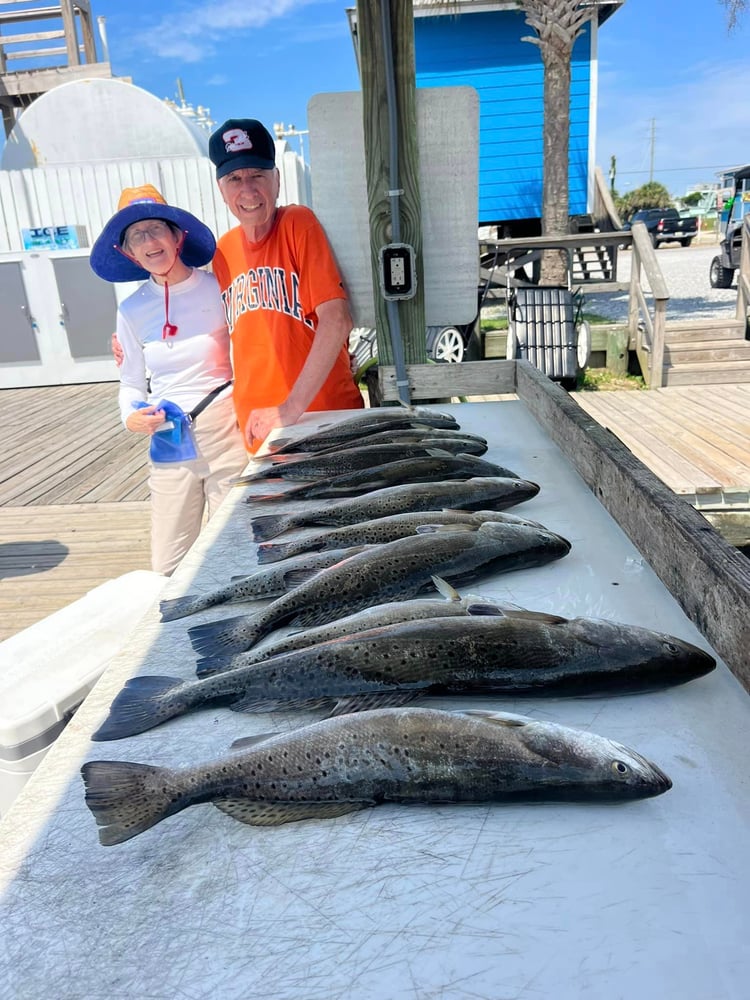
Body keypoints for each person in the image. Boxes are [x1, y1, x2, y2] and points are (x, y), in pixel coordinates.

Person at [90, 185, 248, 576]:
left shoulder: (220, 287)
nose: (149, 241)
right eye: (136, 236)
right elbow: (130, 382)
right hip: (166, 437)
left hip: (227, 430)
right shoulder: (130, 310)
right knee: (168, 563)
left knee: (234, 547)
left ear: (178, 236)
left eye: (156, 229)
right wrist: (129, 416)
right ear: (128, 252)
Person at [208, 117, 364, 451]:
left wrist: (289, 408)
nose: (248, 189)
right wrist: (135, 339)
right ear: (221, 189)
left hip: (323, 424)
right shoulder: (222, 252)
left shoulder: (297, 223)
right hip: (259, 432)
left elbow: (336, 319)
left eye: (257, 175)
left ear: (276, 180)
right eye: (235, 178)